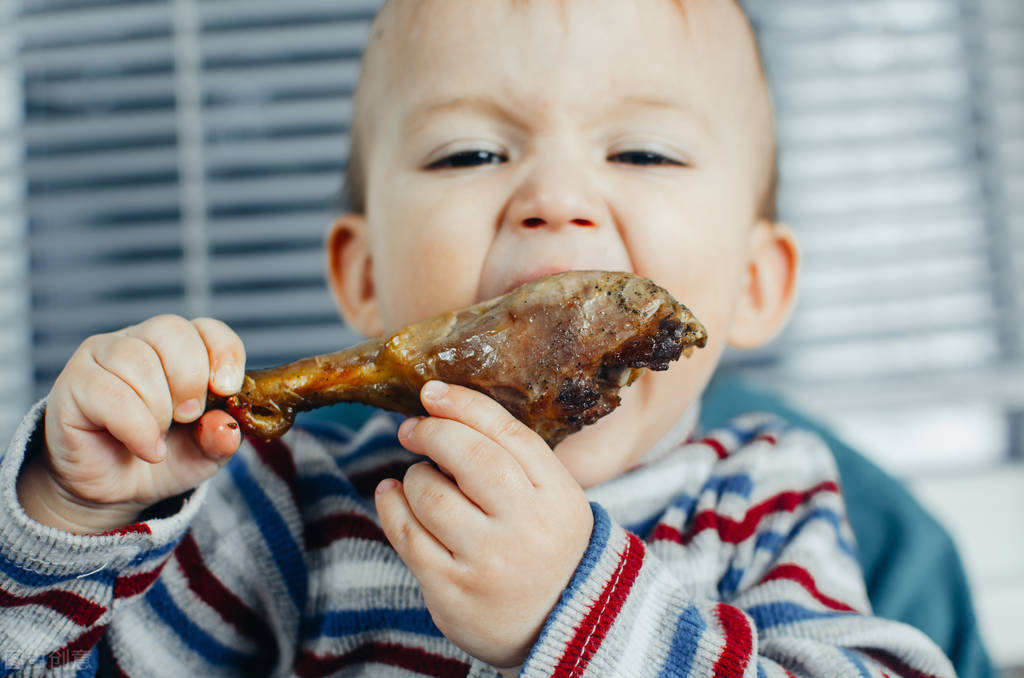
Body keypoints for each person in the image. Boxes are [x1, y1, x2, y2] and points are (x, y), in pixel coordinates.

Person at [1, 0, 957, 676]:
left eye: (642, 152)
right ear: (364, 274)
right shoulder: (292, 504)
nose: (555, 200)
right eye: (471, 153)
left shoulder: (766, 497)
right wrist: (72, 515)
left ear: (757, 283)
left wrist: (575, 613)